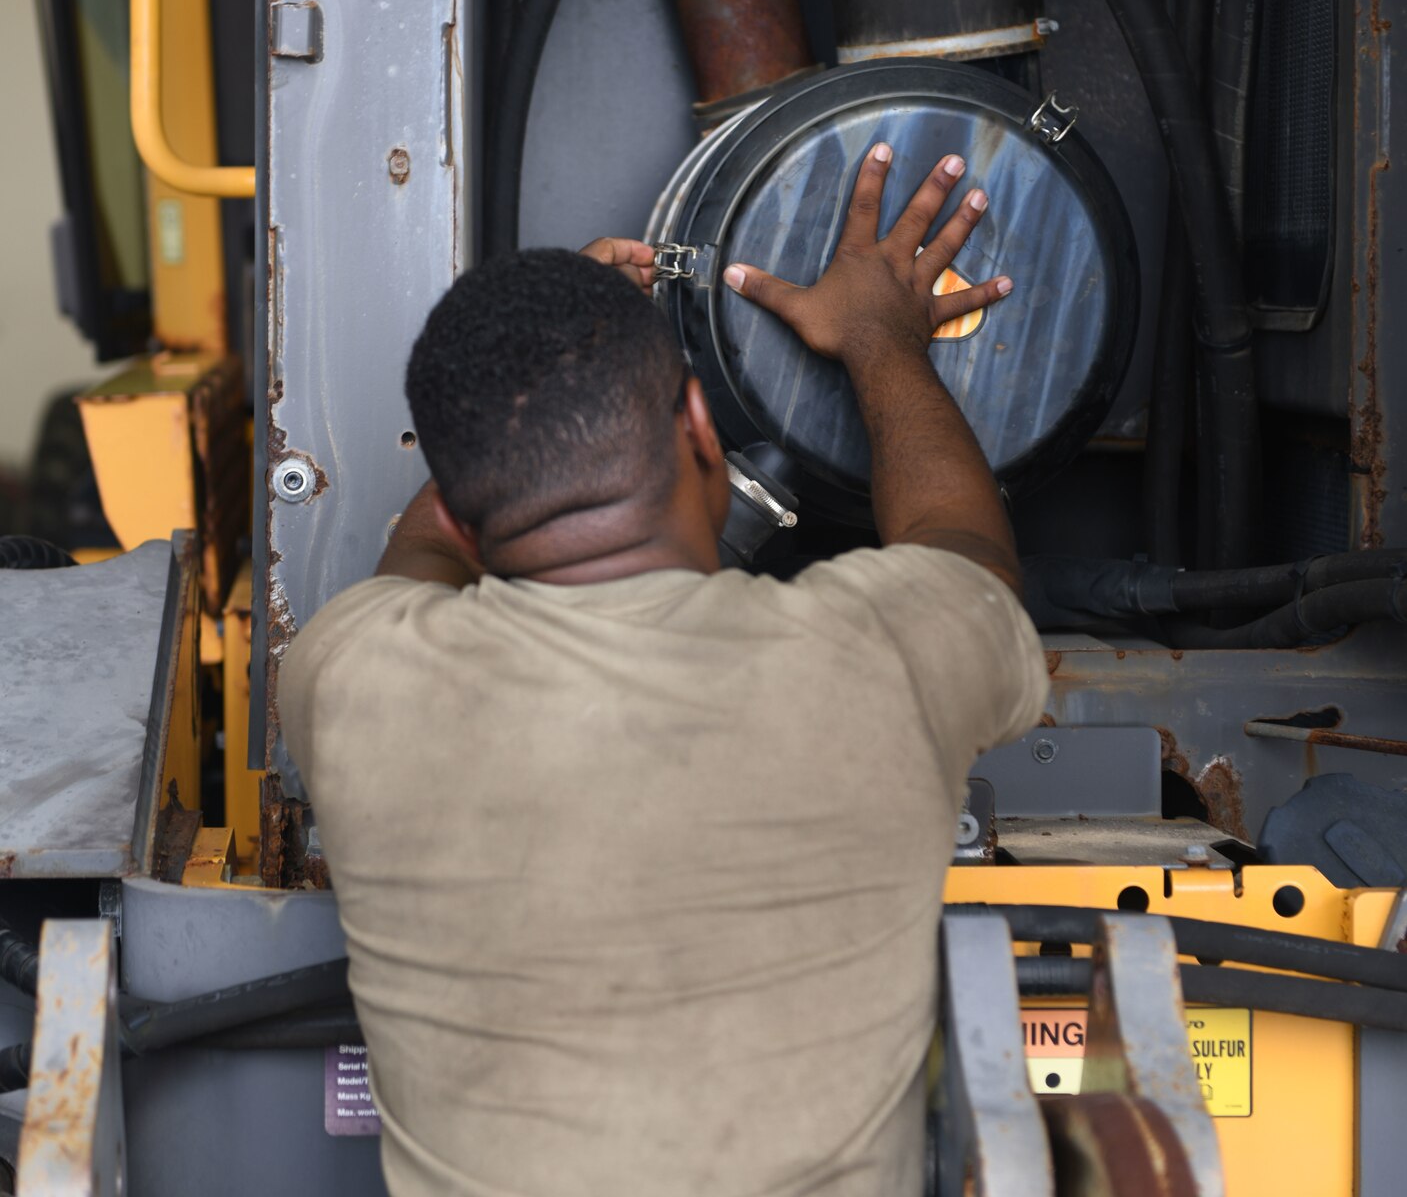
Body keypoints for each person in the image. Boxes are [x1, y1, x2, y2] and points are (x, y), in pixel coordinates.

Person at [279, 142, 1048, 1197]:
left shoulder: (347, 676)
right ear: (698, 426)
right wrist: (879, 335)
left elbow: (417, 559)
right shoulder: (882, 657)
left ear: (458, 513)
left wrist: (540, 361)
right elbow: (967, 550)